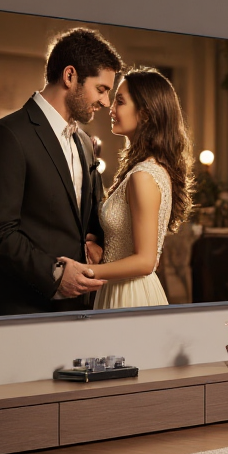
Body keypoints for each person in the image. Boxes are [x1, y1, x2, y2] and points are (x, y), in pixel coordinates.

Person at [0, 28, 122, 317]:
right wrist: (54, 275)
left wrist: (97, 243)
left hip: (79, 308)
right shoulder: (5, 135)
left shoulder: (85, 144)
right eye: (101, 89)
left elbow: (91, 221)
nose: (106, 102)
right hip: (20, 307)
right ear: (70, 76)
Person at [58, 67, 193, 310]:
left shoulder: (143, 175)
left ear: (145, 114)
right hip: (120, 288)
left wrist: (83, 271)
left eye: (120, 101)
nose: (110, 108)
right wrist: (99, 246)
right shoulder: (146, 169)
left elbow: (146, 261)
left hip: (130, 294)